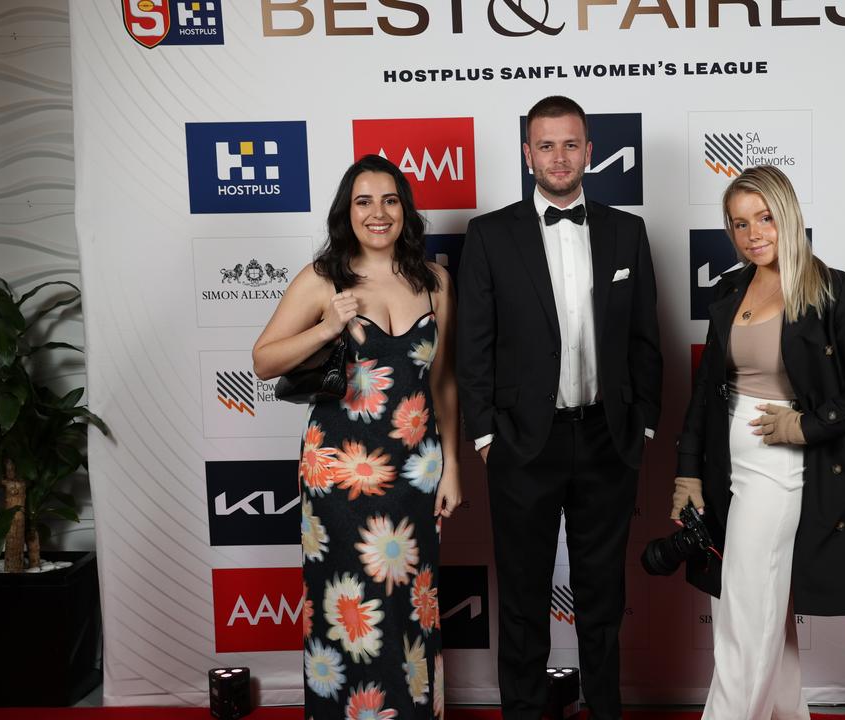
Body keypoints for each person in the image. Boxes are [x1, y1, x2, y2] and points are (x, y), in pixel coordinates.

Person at [455, 95, 662, 720]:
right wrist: (487, 437)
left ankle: (603, 710)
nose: (559, 157)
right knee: (521, 594)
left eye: (570, 144)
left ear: (590, 152)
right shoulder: (489, 235)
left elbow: (646, 338)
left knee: (603, 594)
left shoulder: (628, 230)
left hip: (606, 438)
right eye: (545, 145)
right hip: (523, 443)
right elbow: (475, 346)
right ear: (527, 154)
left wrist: (642, 425)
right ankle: (522, 711)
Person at [673, 165, 845, 720]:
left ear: (789, 215)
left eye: (765, 218)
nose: (754, 234)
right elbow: (706, 390)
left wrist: (808, 423)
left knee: (745, 616)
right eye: (739, 224)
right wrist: (688, 473)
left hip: (782, 468)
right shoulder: (730, 288)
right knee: (752, 609)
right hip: (727, 464)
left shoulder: (831, 290)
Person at [252, 154, 461, 720]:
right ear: (348, 211)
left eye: (390, 200)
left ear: (405, 210)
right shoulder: (326, 279)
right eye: (364, 201)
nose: (378, 212)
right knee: (346, 601)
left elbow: (442, 383)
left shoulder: (436, 281)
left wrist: (453, 470)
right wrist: (325, 326)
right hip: (339, 471)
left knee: (410, 604)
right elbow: (263, 360)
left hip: (416, 468)